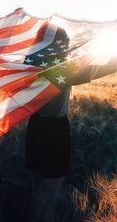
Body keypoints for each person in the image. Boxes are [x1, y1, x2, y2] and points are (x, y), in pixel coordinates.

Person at [23, 25, 117, 221]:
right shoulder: (62, 70)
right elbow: (104, 68)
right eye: (64, 41)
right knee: (49, 193)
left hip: (34, 128)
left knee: (36, 186)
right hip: (55, 131)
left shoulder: (29, 64)